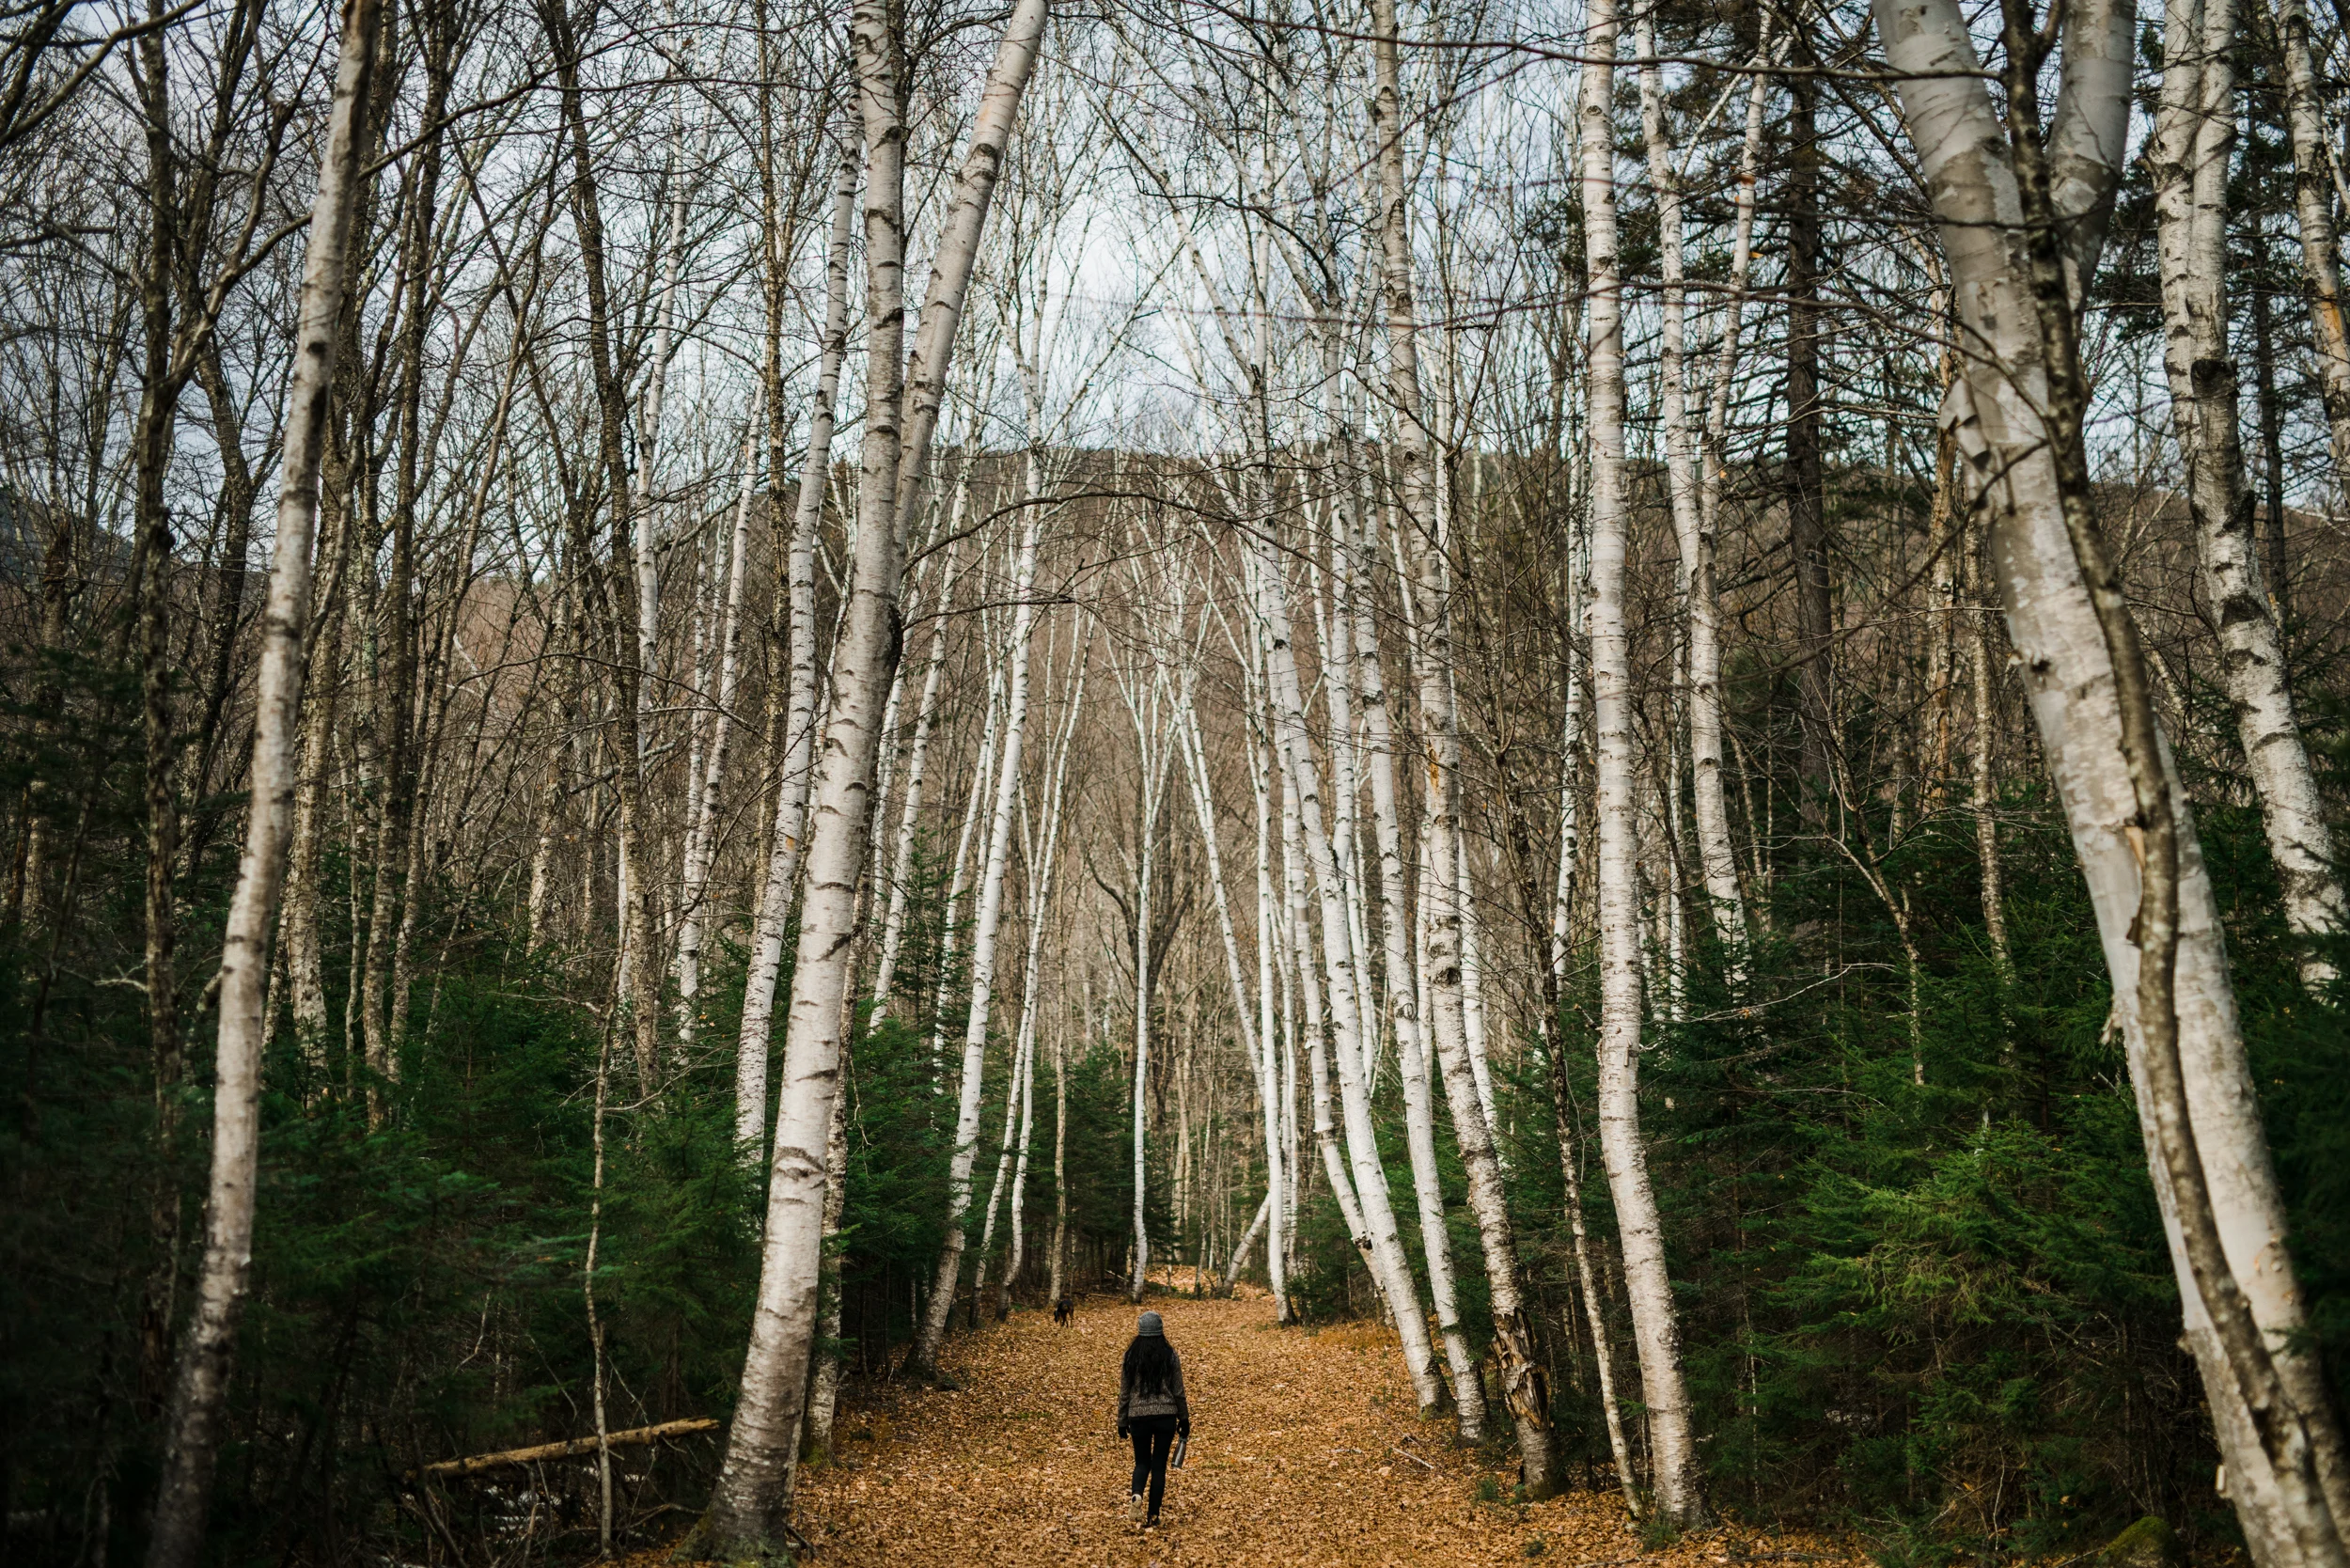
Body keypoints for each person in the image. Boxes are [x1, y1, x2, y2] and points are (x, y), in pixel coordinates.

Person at [1114, 1309, 1190, 1529]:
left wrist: (1121, 1421)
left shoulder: (1130, 1356)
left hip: (1138, 1417)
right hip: (1166, 1417)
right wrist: (1184, 1419)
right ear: (1160, 1330)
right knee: (1158, 1467)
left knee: (1141, 1462)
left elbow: (1124, 1392)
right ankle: (1153, 1515)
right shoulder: (1170, 1354)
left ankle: (1136, 1494)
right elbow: (1179, 1391)